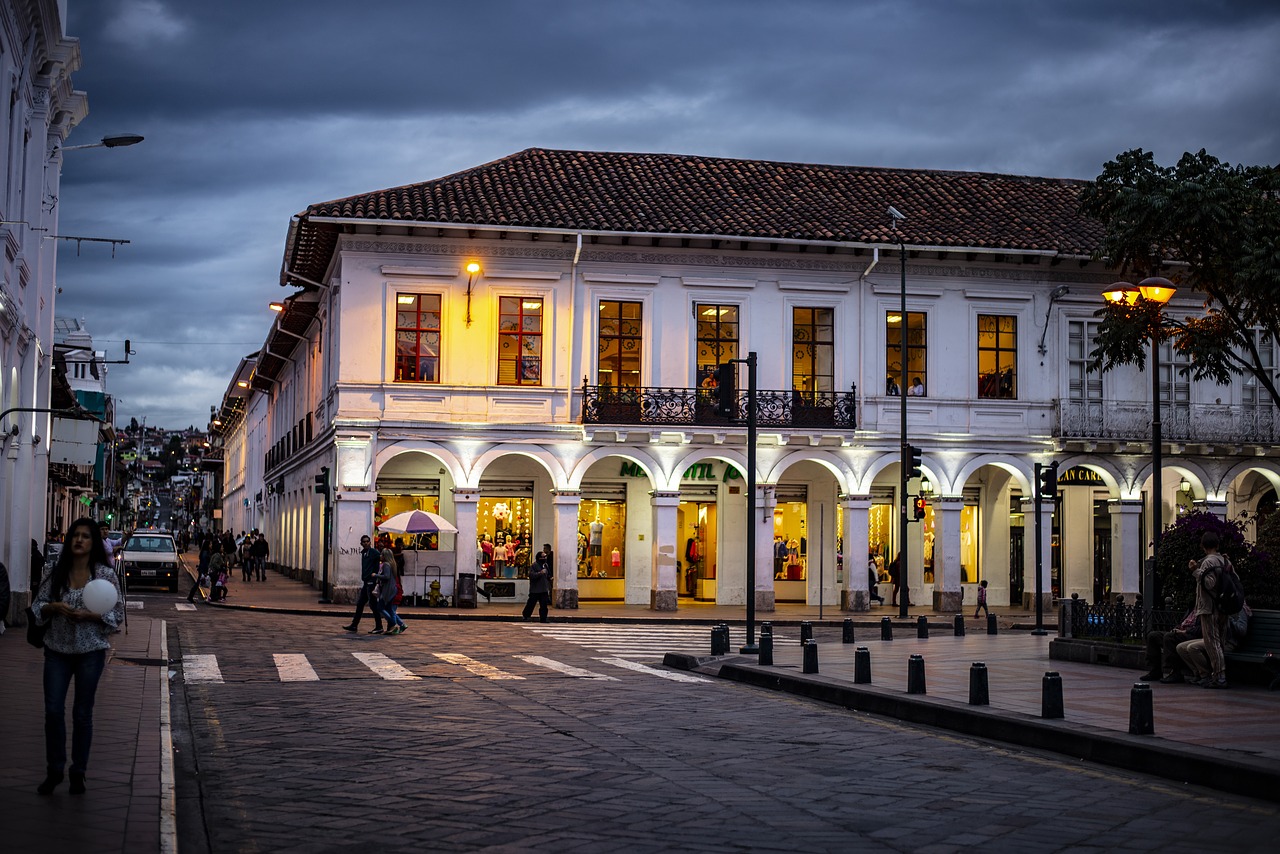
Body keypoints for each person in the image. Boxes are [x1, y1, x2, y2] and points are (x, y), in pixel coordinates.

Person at [30, 516, 125, 795]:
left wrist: (90, 615)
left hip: (90, 652)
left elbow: (116, 614)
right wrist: (54, 607)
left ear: (93, 542)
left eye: (85, 536)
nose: (79, 540)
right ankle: (54, 769)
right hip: (56, 650)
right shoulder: (56, 571)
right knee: (53, 710)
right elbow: (38, 606)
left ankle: (78, 772)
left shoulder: (105, 575)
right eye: (75, 535)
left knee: (82, 713)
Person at [1188, 532, 1231, 688]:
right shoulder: (1225, 560)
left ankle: (1220, 676)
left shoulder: (1209, 562)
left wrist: (1195, 571)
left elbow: (1209, 583)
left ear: (1203, 546)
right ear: (1217, 545)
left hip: (1210, 608)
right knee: (1219, 641)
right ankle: (1219, 674)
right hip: (1223, 607)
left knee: (1212, 642)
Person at [1140, 607, 1200, 683]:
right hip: (1180, 633)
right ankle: (1155, 670)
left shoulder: (1205, 610)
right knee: (1153, 636)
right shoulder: (1191, 609)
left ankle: (1175, 672)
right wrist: (1176, 629)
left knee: (1169, 637)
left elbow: (1201, 629)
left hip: (1190, 635)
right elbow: (1182, 623)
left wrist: (1184, 631)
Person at [344, 535, 385, 634]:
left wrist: (376, 575)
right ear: (361, 543)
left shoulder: (374, 552)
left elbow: (383, 558)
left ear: (370, 542)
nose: (366, 543)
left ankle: (379, 626)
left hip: (371, 582)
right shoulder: (364, 553)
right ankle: (354, 625)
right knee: (360, 604)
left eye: (367, 541)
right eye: (364, 542)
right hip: (366, 582)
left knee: (373, 605)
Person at [376, 548, 406, 635]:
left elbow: (386, 576)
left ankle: (393, 623)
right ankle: (397, 624)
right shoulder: (393, 564)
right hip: (392, 590)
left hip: (387, 590)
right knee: (389, 609)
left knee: (381, 608)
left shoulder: (386, 565)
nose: (380, 556)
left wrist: (376, 575)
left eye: (382, 555)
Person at [522, 551, 551, 622]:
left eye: (545, 557)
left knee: (544, 605)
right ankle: (526, 616)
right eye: (543, 557)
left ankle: (543, 618)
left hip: (543, 588)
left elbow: (548, 574)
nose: (545, 558)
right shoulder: (534, 565)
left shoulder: (545, 565)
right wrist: (540, 573)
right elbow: (531, 575)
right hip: (535, 589)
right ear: (539, 558)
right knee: (531, 604)